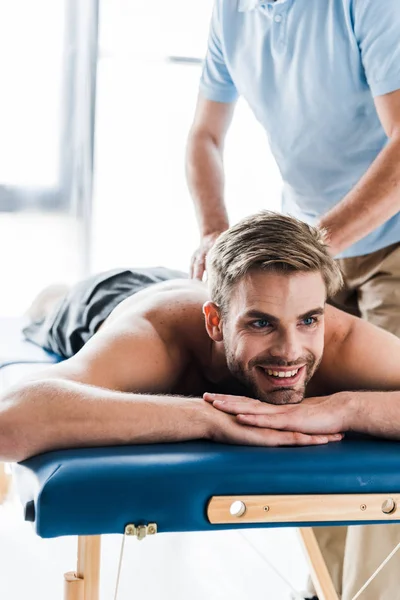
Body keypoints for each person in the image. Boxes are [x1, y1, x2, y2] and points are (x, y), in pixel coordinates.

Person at [2, 212, 400, 599]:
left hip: (208, 292)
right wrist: (206, 417)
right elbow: (9, 422)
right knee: (49, 305)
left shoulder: (339, 340)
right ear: (214, 324)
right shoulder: (152, 340)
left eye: (309, 321)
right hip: (109, 298)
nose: (290, 351)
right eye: (261, 324)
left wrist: (346, 406)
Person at [185, 2, 400, 597]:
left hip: (385, 245)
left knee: (385, 418)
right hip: (316, 252)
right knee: (314, 421)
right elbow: (205, 136)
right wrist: (212, 231)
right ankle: (328, 590)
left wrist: (303, 256)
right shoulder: (232, 14)